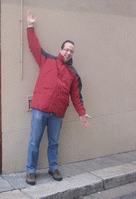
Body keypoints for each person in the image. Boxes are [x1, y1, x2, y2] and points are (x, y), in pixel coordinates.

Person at [26, 10, 91, 185]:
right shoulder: (46, 60)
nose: (68, 53)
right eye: (66, 49)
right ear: (60, 50)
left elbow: (77, 96)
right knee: (34, 141)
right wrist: (30, 25)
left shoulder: (73, 74)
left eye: (71, 51)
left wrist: (82, 113)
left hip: (57, 114)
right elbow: (34, 46)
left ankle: (53, 167)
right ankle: (31, 170)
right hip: (40, 109)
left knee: (54, 142)